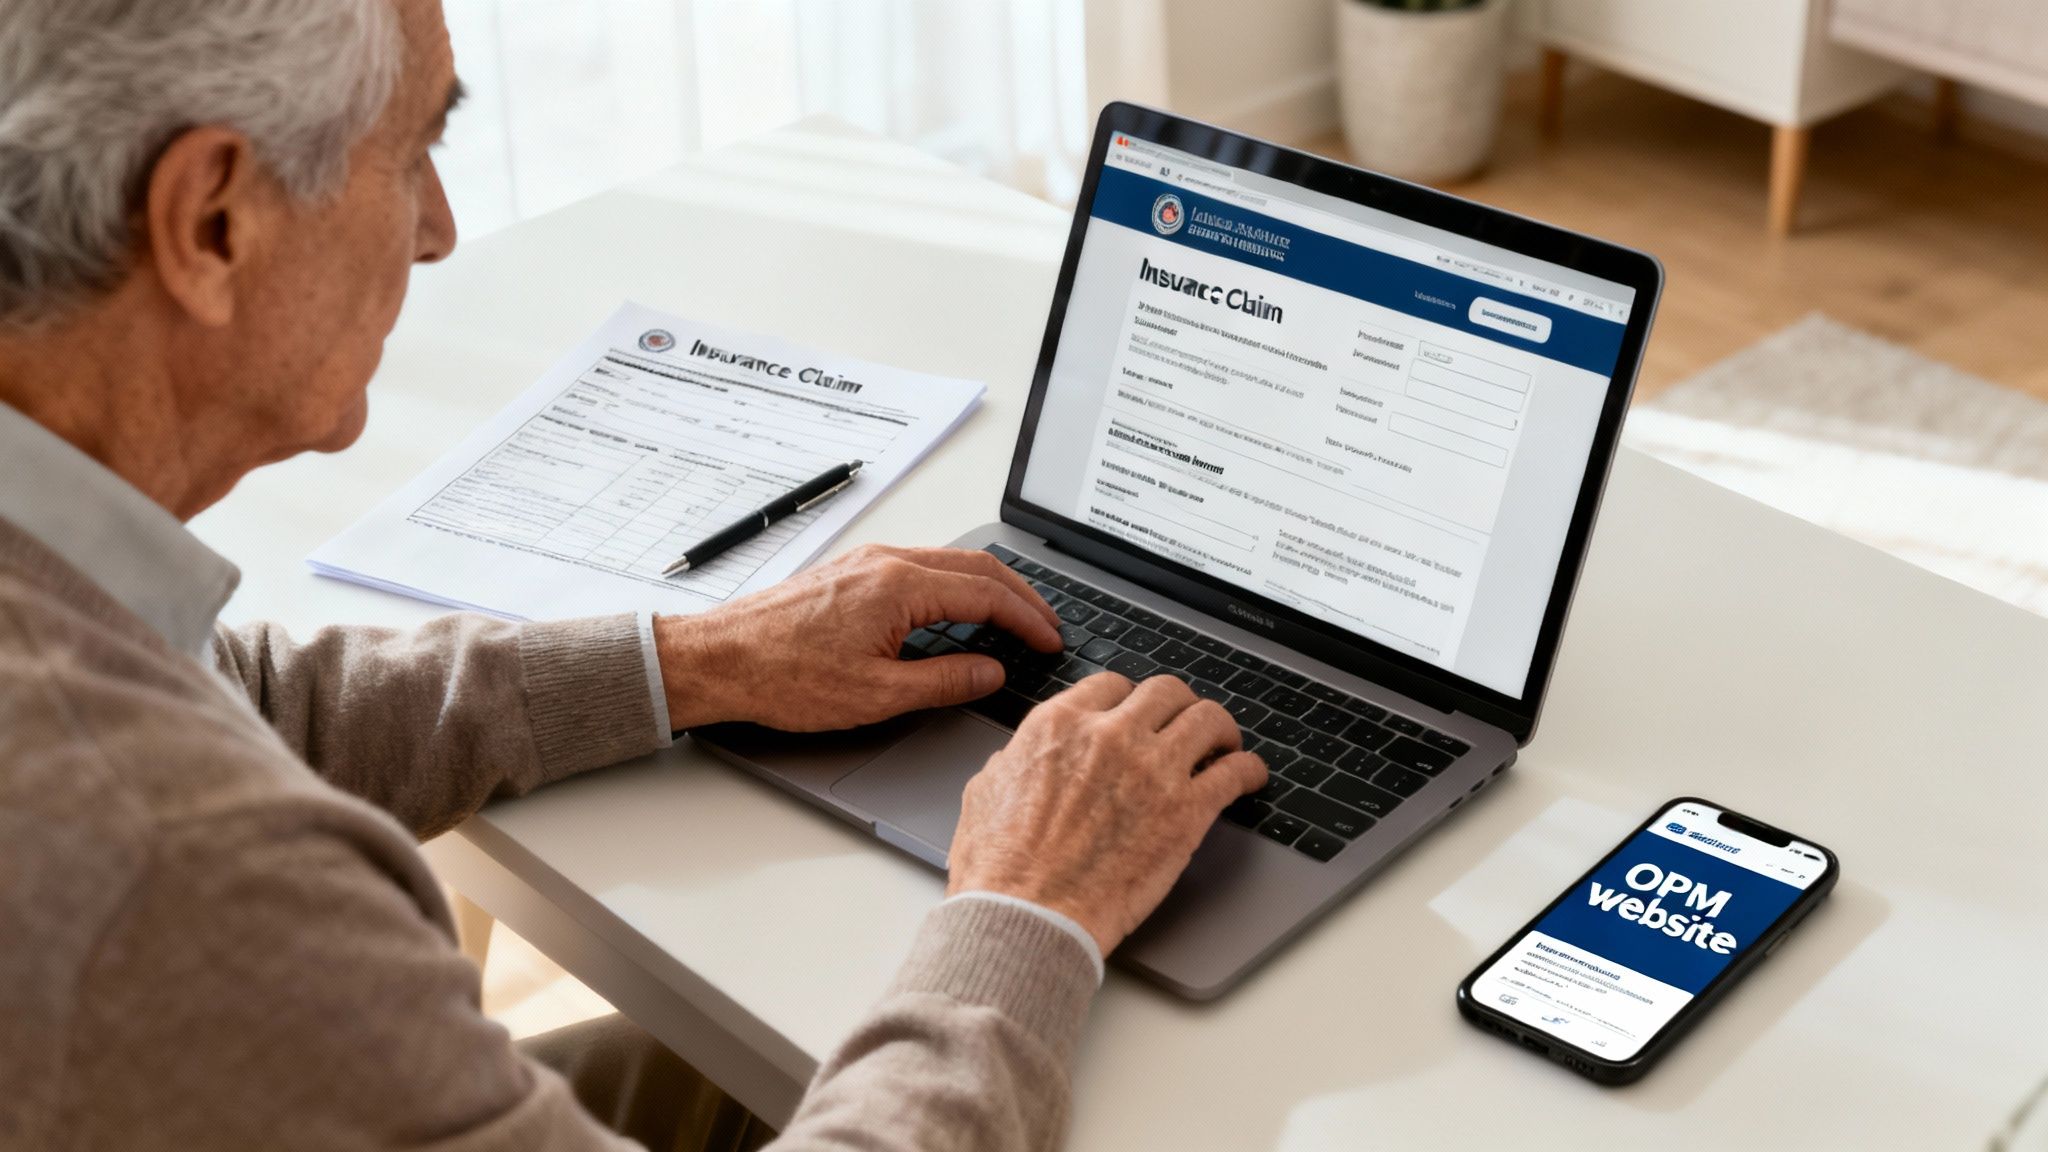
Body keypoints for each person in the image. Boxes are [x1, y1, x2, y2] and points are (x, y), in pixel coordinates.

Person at [0, 1, 1268, 1150]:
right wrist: (1028, 912)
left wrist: (697, 659)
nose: (438, 230)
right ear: (212, 222)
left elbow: (242, 701)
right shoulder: (177, 871)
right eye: (410, 154)